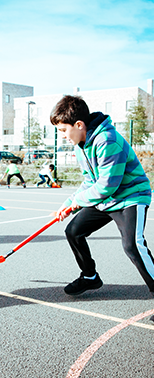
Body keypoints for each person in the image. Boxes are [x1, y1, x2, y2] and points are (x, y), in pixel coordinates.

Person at [50, 95, 154, 296]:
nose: (62, 135)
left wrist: (76, 204)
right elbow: (90, 182)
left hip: (130, 197)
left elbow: (107, 186)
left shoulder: (108, 140)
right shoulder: (81, 146)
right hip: (107, 200)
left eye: (63, 130)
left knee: (132, 245)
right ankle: (90, 277)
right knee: (74, 231)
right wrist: (69, 203)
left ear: (79, 124)